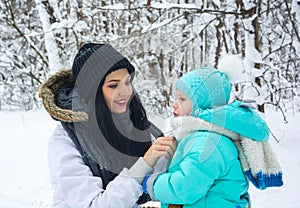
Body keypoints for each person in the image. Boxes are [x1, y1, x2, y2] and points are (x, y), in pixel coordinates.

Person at [38, 43, 177, 208]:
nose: (125, 92)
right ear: (92, 90)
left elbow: (159, 173)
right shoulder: (65, 140)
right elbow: (93, 205)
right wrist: (145, 163)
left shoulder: (131, 121)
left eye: (127, 82)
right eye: (113, 85)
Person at [142, 55, 283, 208]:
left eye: (182, 99)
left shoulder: (207, 142)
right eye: (176, 98)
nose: (174, 105)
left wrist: (152, 183)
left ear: (201, 106)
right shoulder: (202, 136)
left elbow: (185, 187)